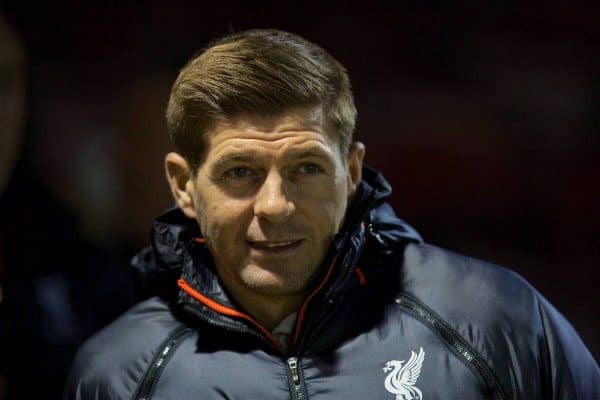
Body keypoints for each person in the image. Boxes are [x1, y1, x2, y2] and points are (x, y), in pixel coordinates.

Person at [65, 29, 599, 399]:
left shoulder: (496, 318)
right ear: (183, 185)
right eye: (239, 173)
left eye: (307, 168)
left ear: (353, 172)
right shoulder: (118, 374)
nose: (276, 205)